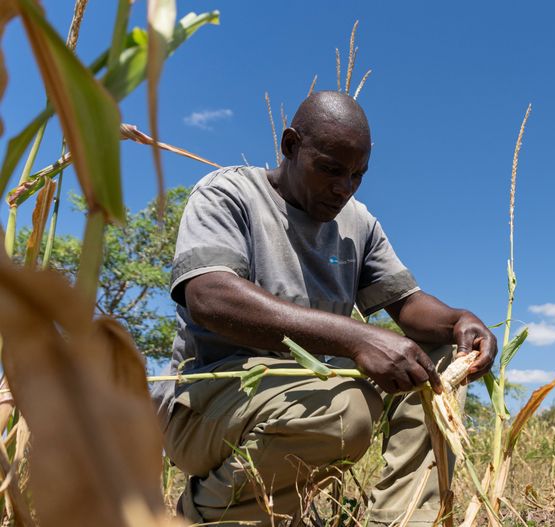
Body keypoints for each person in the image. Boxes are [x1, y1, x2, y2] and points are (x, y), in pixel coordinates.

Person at [153, 91, 497, 525]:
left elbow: (407, 305)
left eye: (357, 175)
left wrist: (459, 321)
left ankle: (403, 519)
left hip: (311, 397)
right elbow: (209, 296)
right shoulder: (229, 193)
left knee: (441, 359)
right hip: (206, 408)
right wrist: (356, 337)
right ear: (291, 146)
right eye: (331, 170)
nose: (343, 188)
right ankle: (209, 515)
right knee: (346, 411)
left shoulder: (358, 224)